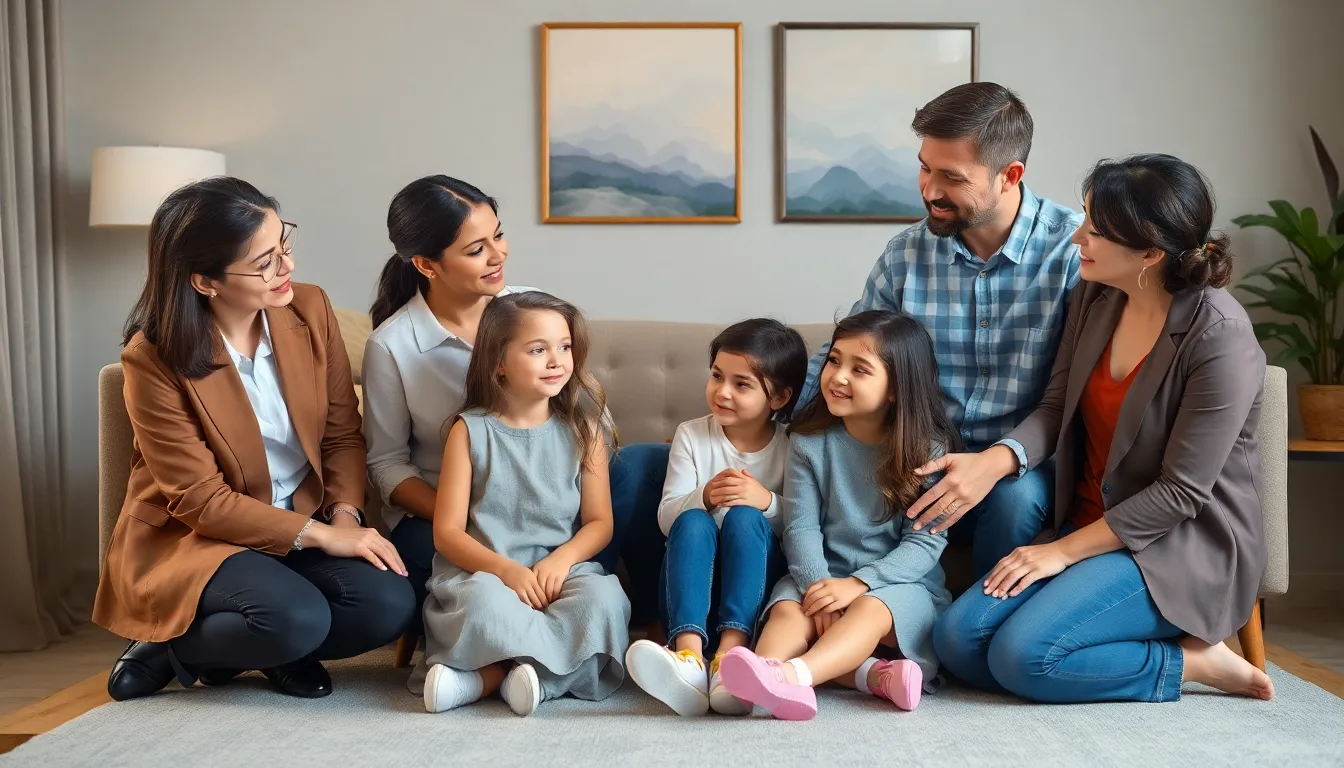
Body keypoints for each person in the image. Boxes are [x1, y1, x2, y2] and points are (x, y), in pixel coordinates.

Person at [930, 154, 1274, 703]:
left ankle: (1189, 662)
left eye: (1095, 229)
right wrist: (999, 457)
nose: (1077, 237)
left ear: (1151, 253)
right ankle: (1165, 652)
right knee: (956, 641)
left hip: (1176, 544)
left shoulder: (1220, 336)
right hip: (1089, 520)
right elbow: (1055, 406)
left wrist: (1061, 553)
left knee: (1023, 657)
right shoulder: (1096, 295)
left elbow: (1180, 493)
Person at [98, 177, 415, 702]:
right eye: (264, 261)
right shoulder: (152, 357)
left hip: (305, 516)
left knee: (389, 604)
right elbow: (198, 500)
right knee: (294, 619)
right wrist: (323, 539)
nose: (286, 267)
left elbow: (341, 435)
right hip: (200, 534)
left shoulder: (310, 311)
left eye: (284, 244)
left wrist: (343, 517)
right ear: (206, 281)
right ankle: (181, 647)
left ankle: (254, 649)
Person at [362, 176, 666, 661]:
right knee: (470, 566)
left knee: (642, 466)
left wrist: (548, 503)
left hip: (549, 503)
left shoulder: (528, 306)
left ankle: (647, 621)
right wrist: (476, 511)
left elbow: (586, 409)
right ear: (426, 264)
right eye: (476, 249)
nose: (498, 255)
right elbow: (387, 465)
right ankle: (518, 656)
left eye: (498, 236)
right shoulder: (393, 346)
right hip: (450, 512)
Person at [798, 82, 1083, 579]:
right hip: (915, 458)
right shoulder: (905, 253)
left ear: (1009, 175)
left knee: (1016, 501)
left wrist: (995, 461)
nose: (929, 190)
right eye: (925, 167)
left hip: (1016, 470)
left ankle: (979, 633)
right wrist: (749, 425)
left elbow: (1076, 395)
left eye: (951, 177)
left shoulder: (1073, 255)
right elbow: (844, 353)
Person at [717, 311, 957, 720]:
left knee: (869, 609)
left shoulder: (928, 451)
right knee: (789, 609)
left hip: (898, 584)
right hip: (821, 575)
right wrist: (818, 588)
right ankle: (753, 683)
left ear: (897, 388)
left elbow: (924, 544)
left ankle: (793, 676)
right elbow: (800, 526)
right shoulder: (809, 442)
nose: (837, 376)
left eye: (859, 369)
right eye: (833, 360)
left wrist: (859, 584)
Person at [419, 292, 631, 716]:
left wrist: (561, 561)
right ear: (498, 362)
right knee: (482, 603)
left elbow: (599, 523)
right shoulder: (469, 432)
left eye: (564, 347)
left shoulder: (584, 432)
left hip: (560, 574)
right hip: (486, 573)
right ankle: (530, 677)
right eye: (538, 350)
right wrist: (506, 571)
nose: (557, 360)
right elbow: (447, 533)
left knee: (604, 599)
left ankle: (488, 678)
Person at [625, 318, 808, 717]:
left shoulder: (792, 445)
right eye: (716, 376)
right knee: (691, 519)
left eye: (741, 384)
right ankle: (688, 657)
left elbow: (803, 524)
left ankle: (732, 656)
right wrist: (703, 496)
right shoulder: (692, 435)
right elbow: (665, 519)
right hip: (691, 585)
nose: (722, 392)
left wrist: (766, 501)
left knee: (745, 517)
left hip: (751, 589)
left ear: (778, 397)